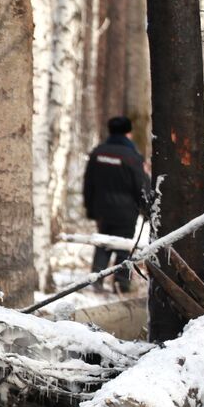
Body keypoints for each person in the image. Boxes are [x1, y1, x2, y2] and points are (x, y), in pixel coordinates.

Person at [83, 115, 151, 292]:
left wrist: (90, 208)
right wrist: (147, 209)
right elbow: (141, 185)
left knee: (102, 244)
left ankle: (95, 282)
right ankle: (121, 285)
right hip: (126, 211)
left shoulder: (98, 153)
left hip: (102, 209)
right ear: (128, 133)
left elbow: (88, 182)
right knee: (123, 246)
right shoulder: (132, 157)